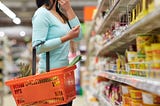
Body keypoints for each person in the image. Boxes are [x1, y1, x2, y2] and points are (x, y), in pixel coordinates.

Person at [32, 0, 82, 106]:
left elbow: (79, 36)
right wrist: (66, 37)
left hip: (64, 75)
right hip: (50, 76)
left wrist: (68, 9)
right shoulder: (42, 14)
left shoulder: (60, 14)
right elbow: (38, 47)